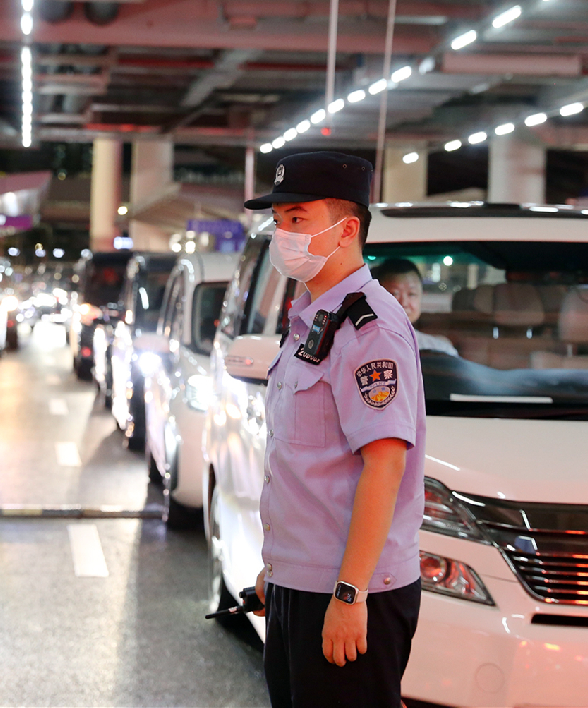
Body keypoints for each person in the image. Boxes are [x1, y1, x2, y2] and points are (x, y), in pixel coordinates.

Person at [244, 151, 426, 708]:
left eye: (297, 219)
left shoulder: (371, 331)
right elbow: (307, 465)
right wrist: (277, 567)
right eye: (279, 221)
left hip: (347, 588)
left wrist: (350, 594)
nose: (283, 234)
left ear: (346, 229)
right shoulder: (312, 320)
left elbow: (385, 463)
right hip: (302, 581)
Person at [375, 259, 459, 357]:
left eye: (412, 294)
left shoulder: (440, 349)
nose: (404, 303)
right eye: (394, 294)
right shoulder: (364, 349)